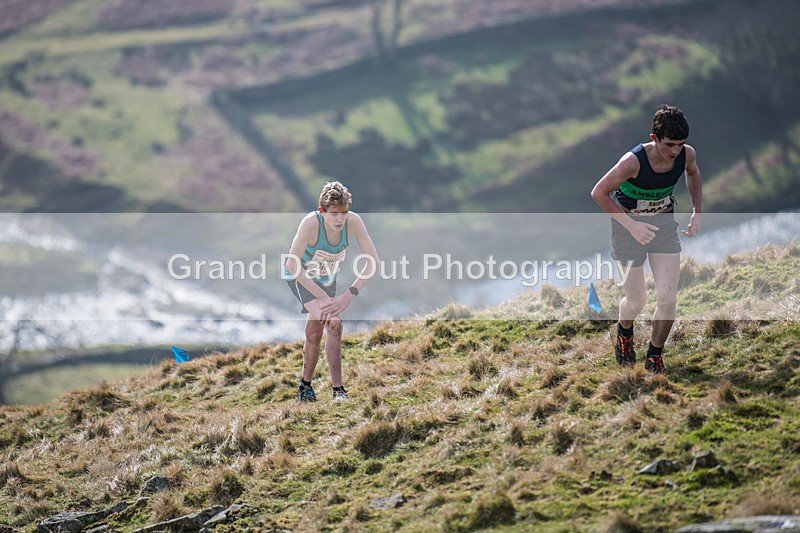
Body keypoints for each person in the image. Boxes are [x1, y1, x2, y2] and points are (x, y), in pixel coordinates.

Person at [590, 104, 702, 373]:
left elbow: (693, 174)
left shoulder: (686, 155)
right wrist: (632, 226)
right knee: (637, 302)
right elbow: (599, 192)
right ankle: (624, 330)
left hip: (663, 228)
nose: (675, 151)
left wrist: (697, 210)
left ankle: (654, 355)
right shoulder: (632, 162)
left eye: (680, 144)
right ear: (654, 139)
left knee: (668, 300)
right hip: (627, 232)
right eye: (669, 144)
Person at [284, 181, 379, 401]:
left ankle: (305, 388)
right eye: (334, 214)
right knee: (334, 324)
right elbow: (292, 265)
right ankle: (339, 391)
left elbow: (373, 261)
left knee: (315, 333)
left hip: (328, 279)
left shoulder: (353, 222)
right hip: (302, 279)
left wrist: (349, 295)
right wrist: (322, 297)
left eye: (344, 213)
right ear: (322, 211)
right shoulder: (310, 223)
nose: (339, 219)